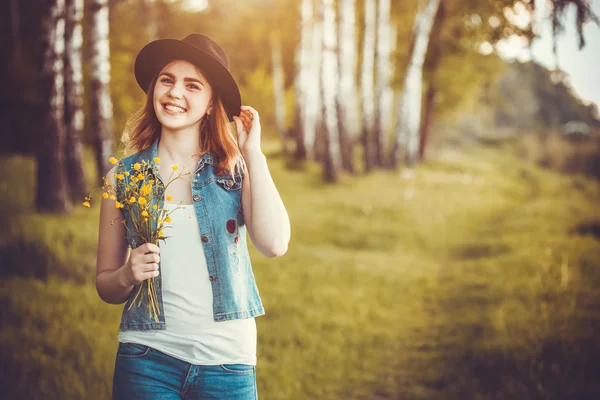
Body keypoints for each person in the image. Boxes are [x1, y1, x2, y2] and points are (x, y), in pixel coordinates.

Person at [95, 33, 291, 400]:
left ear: (211, 100)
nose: (174, 93)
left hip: (228, 363)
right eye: (167, 80)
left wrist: (253, 154)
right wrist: (126, 274)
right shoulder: (122, 177)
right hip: (146, 360)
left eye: (192, 85)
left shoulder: (235, 171)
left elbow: (275, 244)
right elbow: (106, 285)